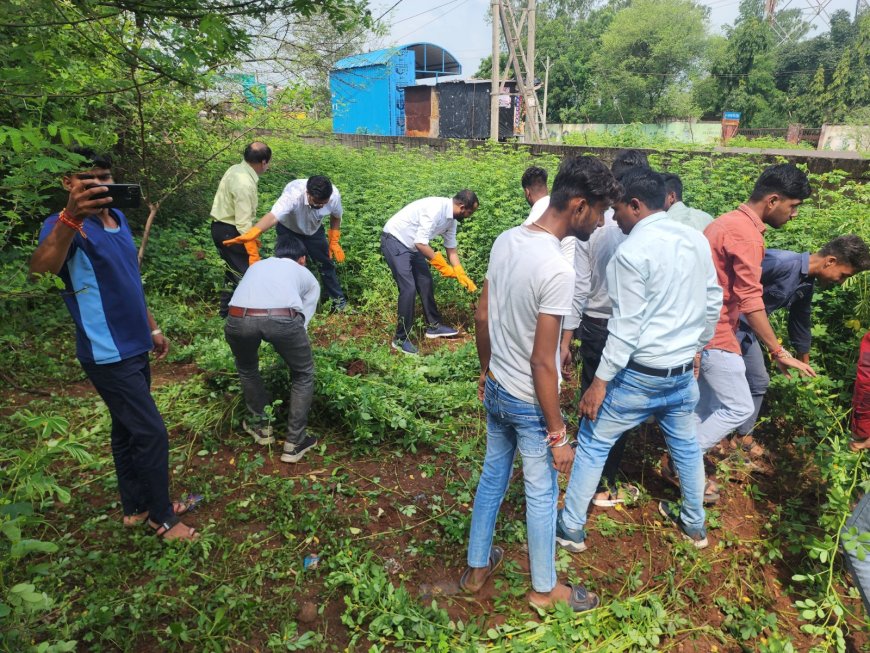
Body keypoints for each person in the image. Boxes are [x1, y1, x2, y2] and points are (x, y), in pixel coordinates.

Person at [463, 155, 620, 612]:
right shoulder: (558, 268)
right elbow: (542, 362)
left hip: (496, 387)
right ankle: (545, 588)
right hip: (530, 403)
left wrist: (486, 369)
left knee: (493, 475)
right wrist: (558, 435)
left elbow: (481, 315)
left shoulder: (508, 239)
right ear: (577, 206)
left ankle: (476, 569)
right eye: (599, 211)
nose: (602, 221)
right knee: (541, 489)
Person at [30, 149, 198, 541]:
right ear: (67, 184)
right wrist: (71, 219)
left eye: (104, 177)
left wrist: (152, 327)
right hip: (107, 352)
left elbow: (129, 280)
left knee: (126, 429)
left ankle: (136, 508)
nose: (99, 186)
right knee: (151, 432)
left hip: (135, 341)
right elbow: (41, 270)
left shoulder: (118, 218)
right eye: (87, 180)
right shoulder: (61, 226)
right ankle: (163, 519)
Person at [557, 168, 723, 553]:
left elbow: (626, 327)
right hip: (681, 374)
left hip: (640, 376)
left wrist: (599, 383)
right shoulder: (695, 240)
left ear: (635, 205)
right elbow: (713, 301)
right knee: (684, 446)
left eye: (617, 211)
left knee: (594, 441)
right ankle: (694, 527)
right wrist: (695, 347)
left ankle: (570, 528)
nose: (613, 219)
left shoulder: (630, 253)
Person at [669, 164, 816, 504]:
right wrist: (779, 351)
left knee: (704, 408)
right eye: (792, 207)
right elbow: (750, 300)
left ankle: (685, 469)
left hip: (701, 328)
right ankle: (679, 461)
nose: (793, 215)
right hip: (716, 330)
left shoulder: (724, 222)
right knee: (737, 406)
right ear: (773, 200)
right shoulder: (746, 235)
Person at [734, 236, 870, 448]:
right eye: (844, 275)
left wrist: (803, 365)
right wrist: (778, 351)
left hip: (746, 331)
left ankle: (741, 439)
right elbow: (729, 284)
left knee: (759, 381)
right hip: (722, 327)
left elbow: (800, 322)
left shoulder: (806, 284)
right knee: (715, 381)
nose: (841, 282)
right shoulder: (781, 263)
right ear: (830, 261)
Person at [570, 149, 650, 507]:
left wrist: (568, 335)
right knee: (614, 407)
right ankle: (603, 485)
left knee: (592, 395)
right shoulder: (642, 233)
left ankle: (584, 459)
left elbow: (579, 283)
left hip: (593, 323)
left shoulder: (593, 227)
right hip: (625, 330)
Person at [224, 238, 320, 464]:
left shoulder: (257, 265)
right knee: (303, 373)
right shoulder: (304, 273)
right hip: (282, 318)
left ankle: (262, 427)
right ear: (302, 259)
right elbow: (303, 319)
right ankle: (295, 443)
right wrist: (291, 340)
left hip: (238, 317)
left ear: (276, 254)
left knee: (247, 368)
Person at [222, 176, 348, 311]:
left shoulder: (334, 196)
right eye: (316, 202)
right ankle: (288, 306)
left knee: (326, 265)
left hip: (314, 231)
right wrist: (254, 232)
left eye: (324, 203)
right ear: (307, 193)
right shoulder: (293, 194)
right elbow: (273, 216)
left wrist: (334, 239)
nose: (320, 206)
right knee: (289, 267)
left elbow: (336, 216)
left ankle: (339, 303)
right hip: (289, 230)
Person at [380, 190, 479, 355]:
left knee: (425, 282)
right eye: (470, 212)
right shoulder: (435, 209)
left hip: (413, 244)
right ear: (462, 207)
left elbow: (451, 248)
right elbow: (420, 243)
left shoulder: (451, 221)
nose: (470, 216)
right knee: (408, 288)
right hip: (395, 239)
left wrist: (459, 271)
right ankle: (400, 339)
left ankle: (434, 326)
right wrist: (442, 266)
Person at [210, 142, 272, 318]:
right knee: (248, 276)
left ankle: (224, 314)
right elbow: (243, 223)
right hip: (232, 233)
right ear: (264, 162)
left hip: (220, 228)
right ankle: (252, 318)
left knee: (232, 274)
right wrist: (252, 251)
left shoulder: (236, 169)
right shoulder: (245, 183)